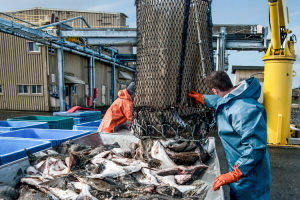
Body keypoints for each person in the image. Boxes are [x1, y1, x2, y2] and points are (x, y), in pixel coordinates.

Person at [188, 71, 271, 200]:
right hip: (240, 172)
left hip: (251, 179)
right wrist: (203, 98)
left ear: (215, 90)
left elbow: (255, 146)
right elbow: (222, 101)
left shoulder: (243, 110)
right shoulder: (236, 94)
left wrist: (236, 174)